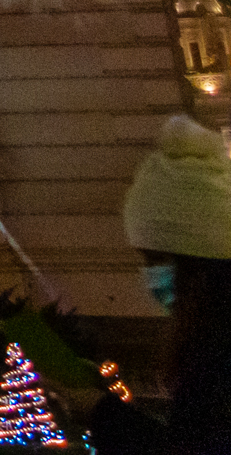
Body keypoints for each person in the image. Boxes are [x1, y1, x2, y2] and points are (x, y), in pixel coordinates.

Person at [92, 113, 231, 455]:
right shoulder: (208, 333)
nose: (149, 276)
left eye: (154, 260)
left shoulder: (215, 348)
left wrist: (104, 415)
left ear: (195, 261)